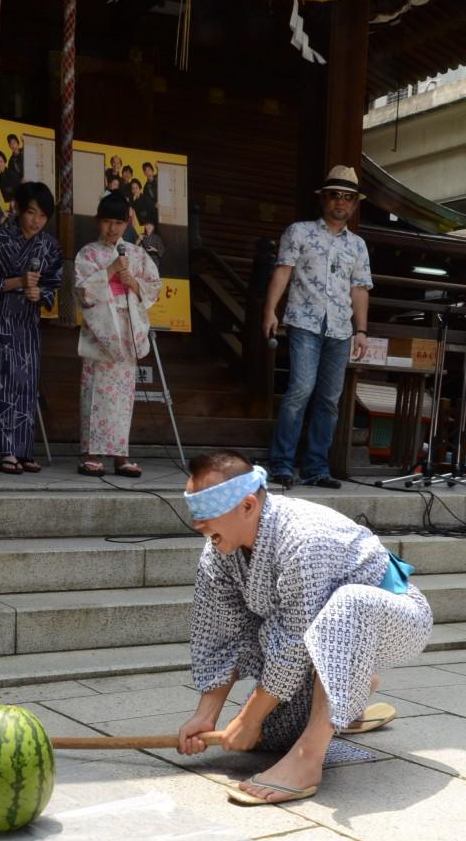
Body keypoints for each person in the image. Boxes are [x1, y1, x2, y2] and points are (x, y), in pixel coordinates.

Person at [177, 450, 433, 805]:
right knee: (273, 735)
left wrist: (248, 718)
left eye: (205, 515)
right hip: (323, 635)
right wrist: (205, 716)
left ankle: (307, 760)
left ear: (248, 506)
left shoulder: (303, 537)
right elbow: (220, 632)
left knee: (348, 604)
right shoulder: (219, 551)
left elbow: (292, 642)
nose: (198, 525)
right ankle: (352, 695)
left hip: (395, 620)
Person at [263, 165, 372, 490]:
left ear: (354, 204)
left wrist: (362, 330)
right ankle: (281, 463)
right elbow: (282, 272)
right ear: (323, 199)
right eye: (335, 195)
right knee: (299, 391)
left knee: (329, 399)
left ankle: (315, 467)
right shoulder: (299, 232)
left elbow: (360, 288)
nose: (341, 202)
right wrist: (270, 311)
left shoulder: (358, 245)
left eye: (348, 198)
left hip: (340, 328)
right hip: (304, 321)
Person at [0, 181, 62, 474]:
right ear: (17, 209)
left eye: (42, 216)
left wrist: (42, 294)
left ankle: (24, 449)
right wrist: (20, 282)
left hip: (29, 322)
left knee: (27, 383)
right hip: (1, 317)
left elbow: (53, 283)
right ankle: (6, 450)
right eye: (31, 213)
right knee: (3, 380)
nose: (36, 221)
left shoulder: (49, 245)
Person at [75, 193, 161, 478]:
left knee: (124, 397)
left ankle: (121, 455)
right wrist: (111, 271)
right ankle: (91, 453)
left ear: (127, 223)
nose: (112, 229)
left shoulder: (137, 254)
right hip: (101, 332)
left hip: (126, 331)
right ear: (98, 222)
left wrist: (133, 282)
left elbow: (153, 288)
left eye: (118, 223)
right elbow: (83, 292)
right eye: (107, 222)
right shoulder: (88, 253)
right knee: (95, 393)